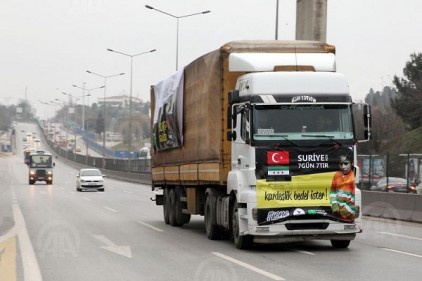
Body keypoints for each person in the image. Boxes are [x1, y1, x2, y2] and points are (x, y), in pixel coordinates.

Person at [330, 149, 355, 222]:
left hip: (348, 217)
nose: (343, 167)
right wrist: (334, 206)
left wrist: (342, 213)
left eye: (346, 164)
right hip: (337, 215)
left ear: (351, 163)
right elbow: (332, 192)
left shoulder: (353, 177)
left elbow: (354, 200)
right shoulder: (336, 175)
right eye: (341, 164)